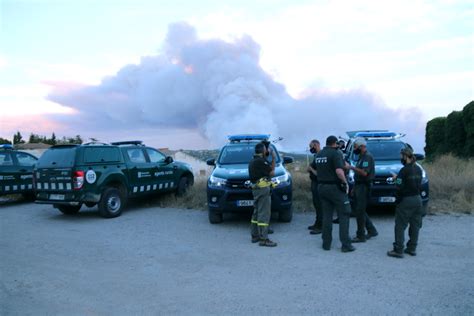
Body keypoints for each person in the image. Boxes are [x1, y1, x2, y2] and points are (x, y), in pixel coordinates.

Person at [315, 135, 355, 253]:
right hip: (334, 187)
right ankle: (346, 244)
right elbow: (338, 171)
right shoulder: (335, 153)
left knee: (327, 215)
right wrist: (345, 183)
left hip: (321, 187)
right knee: (344, 213)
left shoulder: (319, 154)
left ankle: (326, 243)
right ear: (335, 143)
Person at [387, 147, 424, 258]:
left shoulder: (404, 170)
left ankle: (398, 250)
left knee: (400, 225)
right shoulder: (418, 169)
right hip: (418, 200)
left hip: (406, 200)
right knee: (415, 225)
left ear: (404, 156)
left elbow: (399, 185)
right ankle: (412, 248)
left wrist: (396, 178)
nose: (400, 158)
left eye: (401, 156)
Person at [348, 138, 378, 242]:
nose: (354, 149)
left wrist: (351, 168)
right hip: (359, 186)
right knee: (359, 210)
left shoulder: (367, 157)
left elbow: (364, 173)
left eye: (355, 147)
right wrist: (354, 188)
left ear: (361, 146)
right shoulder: (361, 157)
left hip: (364, 186)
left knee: (360, 211)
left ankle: (360, 235)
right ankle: (372, 230)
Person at [248, 142, 277, 247]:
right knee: (264, 214)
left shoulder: (253, 161)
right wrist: (273, 158)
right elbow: (272, 172)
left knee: (256, 213)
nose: (267, 151)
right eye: (266, 149)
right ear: (263, 151)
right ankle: (264, 239)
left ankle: (254, 236)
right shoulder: (261, 161)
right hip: (262, 190)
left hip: (256, 189)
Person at [307, 139, 322, 235]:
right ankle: (317, 223)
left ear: (316, 145)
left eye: (311, 146)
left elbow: (319, 173)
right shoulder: (316, 156)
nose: (310, 149)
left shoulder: (320, 157)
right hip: (314, 183)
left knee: (319, 205)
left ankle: (320, 226)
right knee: (316, 204)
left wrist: (310, 169)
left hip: (318, 183)